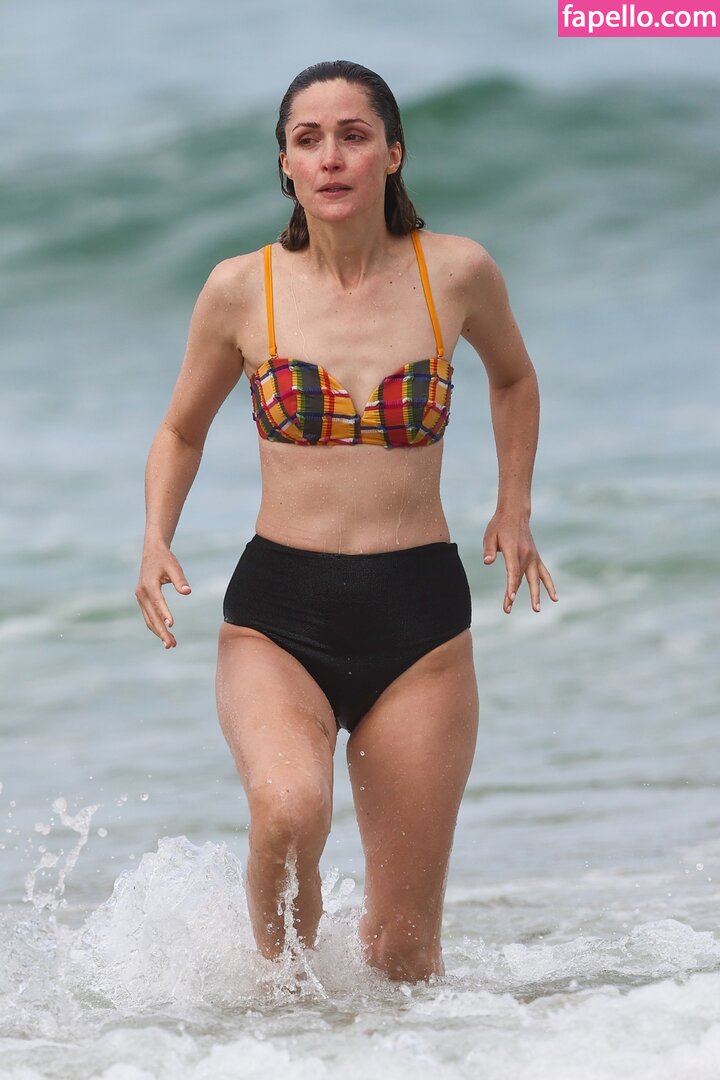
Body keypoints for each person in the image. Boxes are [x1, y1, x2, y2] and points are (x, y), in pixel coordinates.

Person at [135, 59, 557, 985]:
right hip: (278, 616)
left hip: (421, 625)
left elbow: (515, 378)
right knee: (288, 812)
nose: (330, 157)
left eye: (353, 136)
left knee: (406, 956)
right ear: (285, 164)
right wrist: (156, 535)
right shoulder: (242, 288)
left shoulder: (457, 271)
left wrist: (514, 505)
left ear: (392, 154)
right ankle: (283, 1015)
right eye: (308, 139)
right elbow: (180, 430)